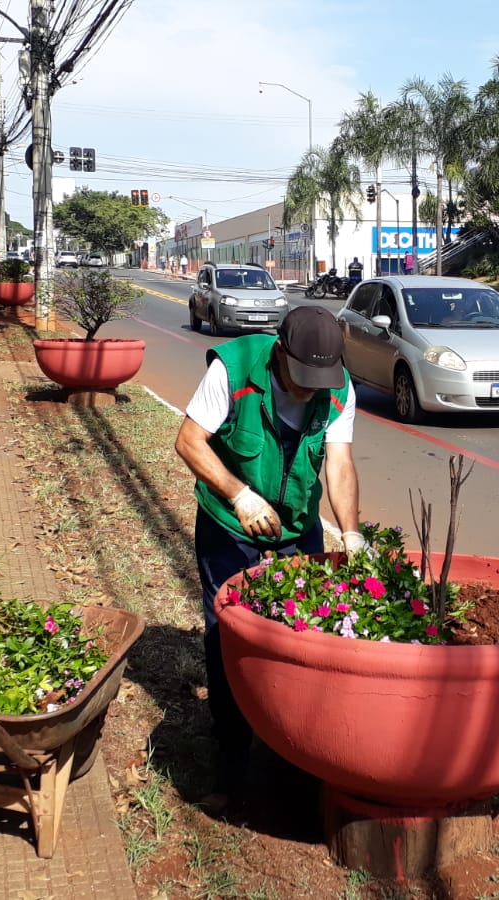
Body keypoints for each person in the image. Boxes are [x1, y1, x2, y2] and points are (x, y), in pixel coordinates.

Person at [174, 305, 364, 800]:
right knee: (228, 627)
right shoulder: (234, 368)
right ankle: (231, 743)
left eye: (320, 378)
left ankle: (295, 738)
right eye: (303, 377)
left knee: (308, 627)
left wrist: (352, 533)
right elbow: (190, 441)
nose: (310, 389)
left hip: (298, 525)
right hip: (229, 524)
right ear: (281, 352)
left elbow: (339, 465)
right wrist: (238, 494)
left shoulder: (339, 388)